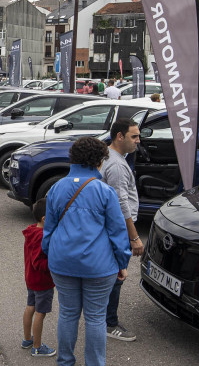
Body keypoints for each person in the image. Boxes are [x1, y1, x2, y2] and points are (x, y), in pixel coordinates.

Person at [42, 137, 130, 366]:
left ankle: (65, 361)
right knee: (95, 318)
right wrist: (122, 263)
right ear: (99, 161)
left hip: (62, 262)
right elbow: (118, 233)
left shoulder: (56, 188)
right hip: (99, 266)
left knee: (68, 314)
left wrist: (49, 253)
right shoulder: (105, 191)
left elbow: (48, 230)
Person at [100, 119, 143, 342]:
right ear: (119, 136)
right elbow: (120, 202)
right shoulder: (116, 164)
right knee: (117, 276)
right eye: (134, 136)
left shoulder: (111, 156)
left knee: (110, 274)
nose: (138, 140)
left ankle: (100, 317)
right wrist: (134, 237)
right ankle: (109, 323)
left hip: (111, 228)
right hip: (118, 230)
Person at [22, 199, 57, 358]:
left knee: (30, 306)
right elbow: (38, 262)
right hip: (42, 281)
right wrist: (55, 262)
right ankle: (37, 347)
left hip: (31, 278)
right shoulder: (42, 237)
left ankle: (27, 339)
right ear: (44, 218)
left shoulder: (32, 231)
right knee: (40, 313)